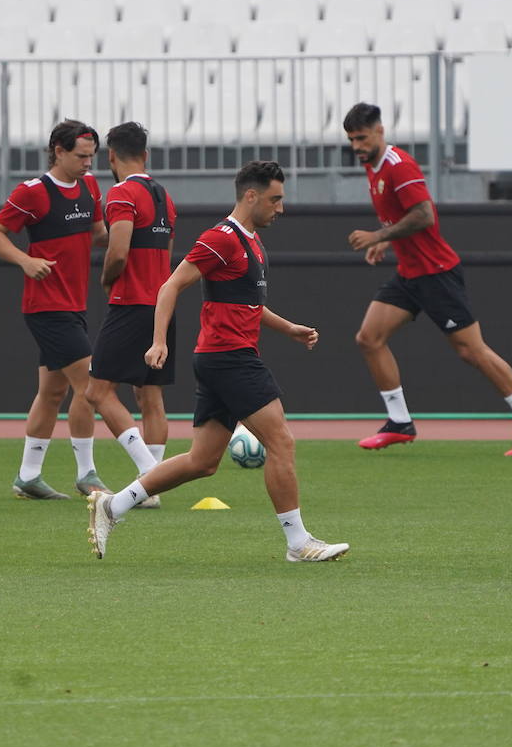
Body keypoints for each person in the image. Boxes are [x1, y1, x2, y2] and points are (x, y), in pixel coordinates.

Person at [87, 161, 350, 563]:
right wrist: (159, 341)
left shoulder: (253, 243)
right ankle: (298, 543)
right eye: (275, 199)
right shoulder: (221, 238)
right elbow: (171, 285)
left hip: (223, 358)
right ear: (250, 196)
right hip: (229, 358)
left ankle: (114, 506)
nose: (281, 208)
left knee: (202, 461)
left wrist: (289, 328)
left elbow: (249, 305)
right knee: (280, 441)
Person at [342, 102, 512, 456]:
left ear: (380, 131)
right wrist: (387, 242)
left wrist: (377, 237)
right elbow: (401, 218)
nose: (357, 146)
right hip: (410, 274)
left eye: (362, 138)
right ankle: (399, 422)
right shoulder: (372, 167)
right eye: (351, 140)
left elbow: (423, 215)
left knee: (472, 351)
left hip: (436, 273)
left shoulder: (398, 165)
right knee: (369, 338)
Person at [0, 119, 110, 500]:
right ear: (58, 150)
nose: (89, 164)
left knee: (52, 392)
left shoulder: (89, 186)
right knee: (88, 388)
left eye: (92, 156)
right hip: (47, 306)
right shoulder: (32, 192)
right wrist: (25, 260)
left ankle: (27, 476)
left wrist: (131, 233)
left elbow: (100, 235)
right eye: (81, 156)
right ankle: (87, 474)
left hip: (74, 303)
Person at [83, 122, 175, 509]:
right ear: (147, 155)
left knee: (97, 391)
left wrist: (107, 280)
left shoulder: (122, 193)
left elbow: (117, 251)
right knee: (149, 395)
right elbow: (167, 251)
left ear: (111, 156)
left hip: (131, 303)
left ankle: (147, 477)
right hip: (161, 306)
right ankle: (156, 480)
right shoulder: (164, 195)